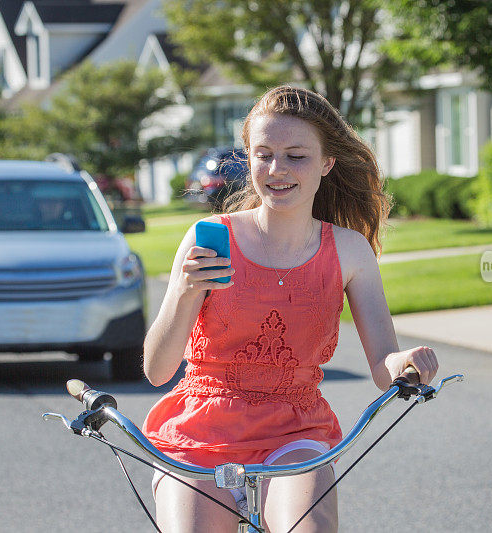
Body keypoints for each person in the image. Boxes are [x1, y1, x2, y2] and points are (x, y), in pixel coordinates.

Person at [142, 86, 439, 533]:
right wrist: (185, 289)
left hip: (295, 430)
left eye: (296, 156)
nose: (277, 170)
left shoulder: (349, 251)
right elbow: (157, 370)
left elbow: (384, 365)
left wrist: (406, 364)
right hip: (200, 428)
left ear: (326, 163)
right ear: (249, 159)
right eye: (264, 155)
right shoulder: (208, 236)